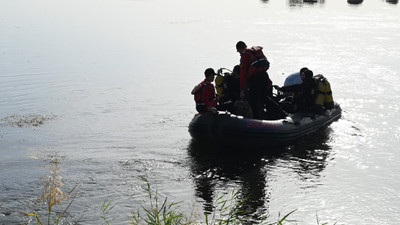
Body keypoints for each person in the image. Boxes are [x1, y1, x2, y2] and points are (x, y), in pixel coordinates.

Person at [236, 41, 286, 119]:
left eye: (238, 51)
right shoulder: (255, 52)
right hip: (264, 76)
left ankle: (256, 119)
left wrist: (242, 88)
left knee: (254, 99)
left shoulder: (245, 55)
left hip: (255, 79)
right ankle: (279, 113)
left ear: (239, 49)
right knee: (265, 96)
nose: (239, 53)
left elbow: (243, 73)